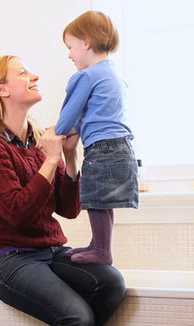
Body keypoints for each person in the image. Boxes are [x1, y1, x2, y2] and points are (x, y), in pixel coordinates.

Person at [0, 55, 126, 326]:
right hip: (8, 258)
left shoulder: (37, 142)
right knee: (76, 318)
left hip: (49, 251)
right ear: (1, 89)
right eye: (23, 72)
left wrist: (69, 157)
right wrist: (51, 159)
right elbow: (17, 213)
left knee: (110, 283)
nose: (35, 75)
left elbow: (68, 209)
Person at [55, 11, 138, 265]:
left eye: (70, 47)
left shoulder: (86, 75)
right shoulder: (113, 73)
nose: (69, 54)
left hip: (102, 148)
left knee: (96, 198)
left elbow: (70, 113)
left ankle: (102, 250)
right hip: (122, 147)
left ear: (86, 42)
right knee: (104, 201)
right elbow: (96, 112)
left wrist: (56, 132)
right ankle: (98, 244)